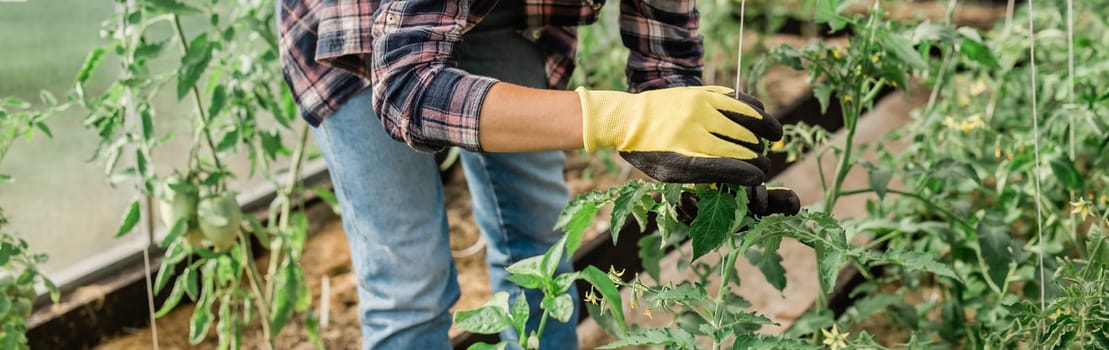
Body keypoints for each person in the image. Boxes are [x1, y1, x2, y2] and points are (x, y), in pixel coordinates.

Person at [277, 0, 797, 348]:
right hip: (359, 25)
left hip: (506, 14)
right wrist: (615, 118)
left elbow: (665, 56)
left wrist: (697, 161)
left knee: (541, 249)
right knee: (409, 279)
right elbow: (406, 90)